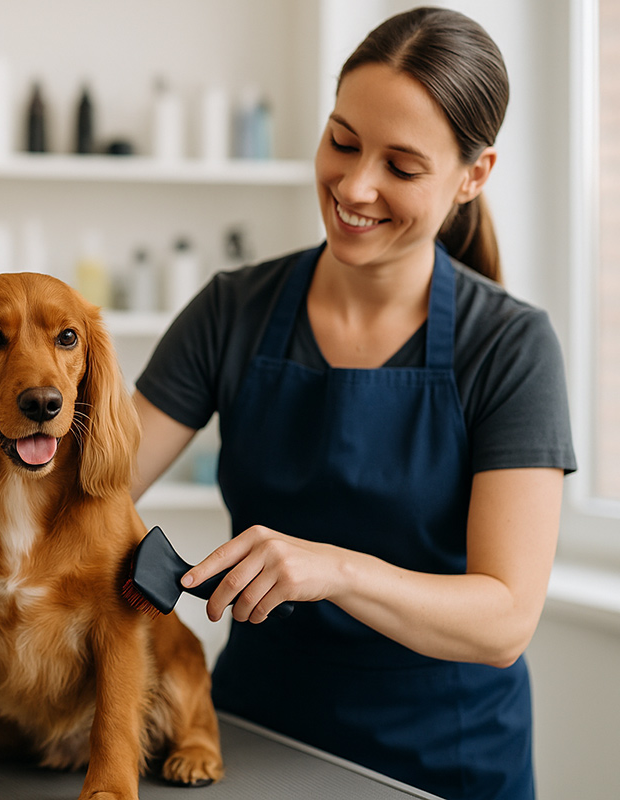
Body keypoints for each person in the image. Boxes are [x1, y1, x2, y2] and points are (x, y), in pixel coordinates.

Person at [130, 7, 575, 800]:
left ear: (473, 176)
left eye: (402, 167)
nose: (354, 185)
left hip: (448, 761)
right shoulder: (232, 311)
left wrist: (333, 570)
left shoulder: (510, 347)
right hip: (255, 736)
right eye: (342, 140)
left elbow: (505, 620)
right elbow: (93, 485)